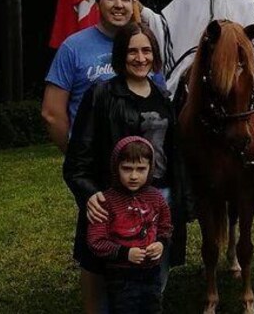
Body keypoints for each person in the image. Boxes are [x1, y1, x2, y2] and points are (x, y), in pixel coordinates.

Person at [64, 22, 188, 314]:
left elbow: (176, 158)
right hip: (115, 204)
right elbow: (77, 160)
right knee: (116, 285)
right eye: (132, 51)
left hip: (159, 200)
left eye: (146, 50)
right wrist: (88, 193)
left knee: (152, 283)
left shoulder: (163, 99)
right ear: (121, 55)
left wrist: (183, 202)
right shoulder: (101, 95)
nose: (140, 57)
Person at [43, 0, 134, 153]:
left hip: (138, 164)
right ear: (97, 4)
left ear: (133, 5)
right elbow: (51, 113)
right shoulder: (73, 47)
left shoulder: (144, 48)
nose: (119, 4)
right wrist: (75, 155)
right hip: (91, 161)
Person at [87, 136, 172, 314]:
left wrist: (161, 243)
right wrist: (125, 253)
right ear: (115, 168)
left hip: (151, 272)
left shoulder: (156, 198)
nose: (134, 176)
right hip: (121, 276)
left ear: (151, 169)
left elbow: (166, 226)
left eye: (141, 169)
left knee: (153, 308)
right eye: (127, 169)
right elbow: (96, 241)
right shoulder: (106, 201)